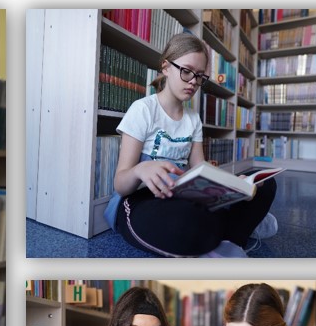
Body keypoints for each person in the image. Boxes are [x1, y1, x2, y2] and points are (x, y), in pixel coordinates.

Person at [110, 33, 279, 257]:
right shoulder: (143, 110)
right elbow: (120, 184)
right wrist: (140, 169)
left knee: (265, 184)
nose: (193, 81)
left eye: (199, 76)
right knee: (189, 224)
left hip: (182, 197)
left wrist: (232, 185)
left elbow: (201, 170)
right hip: (142, 200)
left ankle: (228, 237)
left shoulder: (193, 119)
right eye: (186, 71)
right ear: (166, 67)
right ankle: (237, 227)